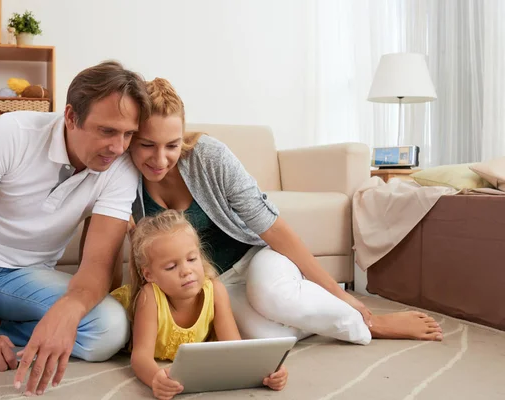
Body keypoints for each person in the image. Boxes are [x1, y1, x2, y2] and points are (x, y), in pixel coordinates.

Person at [102, 77, 443, 346]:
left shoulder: (209, 157)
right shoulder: (122, 176)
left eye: (172, 146)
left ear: (183, 137)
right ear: (131, 139)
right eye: (147, 144)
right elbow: (128, 252)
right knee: (267, 339)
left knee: (271, 295)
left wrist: (342, 295)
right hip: (215, 284)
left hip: (255, 258)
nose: (159, 159)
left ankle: (370, 323)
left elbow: (274, 229)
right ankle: (309, 318)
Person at [0, 60, 150, 396]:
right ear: (70, 117)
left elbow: (97, 267)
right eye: (107, 131)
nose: (119, 147)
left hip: (24, 280)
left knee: (109, 328)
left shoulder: (121, 168)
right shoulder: (13, 133)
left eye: (128, 134)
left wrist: (68, 310)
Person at [111, 209, 288, 400]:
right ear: (149, 275)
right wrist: (156, 378)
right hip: (114, 314)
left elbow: (234, 347)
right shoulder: (149, 296)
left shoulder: (215, 291)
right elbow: (140, 357)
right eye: (171, 267)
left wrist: (267, 372)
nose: (186, 271)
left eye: (192, 259)